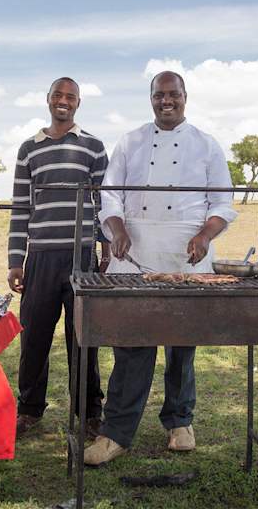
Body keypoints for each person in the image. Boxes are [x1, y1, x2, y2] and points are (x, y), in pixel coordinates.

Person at [84, 70, 236, 466]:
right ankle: (115, 433)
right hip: (133, 251)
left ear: (185, 96)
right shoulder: (131, 141)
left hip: (186, 254)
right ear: (150, 98)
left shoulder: (206, 145)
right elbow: (110, 196)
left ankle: (180, 422)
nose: (166, 101)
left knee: (182, 345)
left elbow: (222, 206)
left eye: (173, 94)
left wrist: (205, 236)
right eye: (159, 95)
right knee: (132, 344)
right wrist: (115, 229)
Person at [8, 77, 108, 439]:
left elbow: (103, 205)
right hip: (41, 258)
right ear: (48, 100)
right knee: (34, 335)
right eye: (58, 96)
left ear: (78, 103)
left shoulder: (93, 147)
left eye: (70, 97)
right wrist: (15, 260)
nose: (63, 101)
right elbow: (21, 208)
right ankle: (30, 409)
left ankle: (89, 412)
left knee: (82, 336)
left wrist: (105, 249)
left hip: (82, 257)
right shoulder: (28, 149)